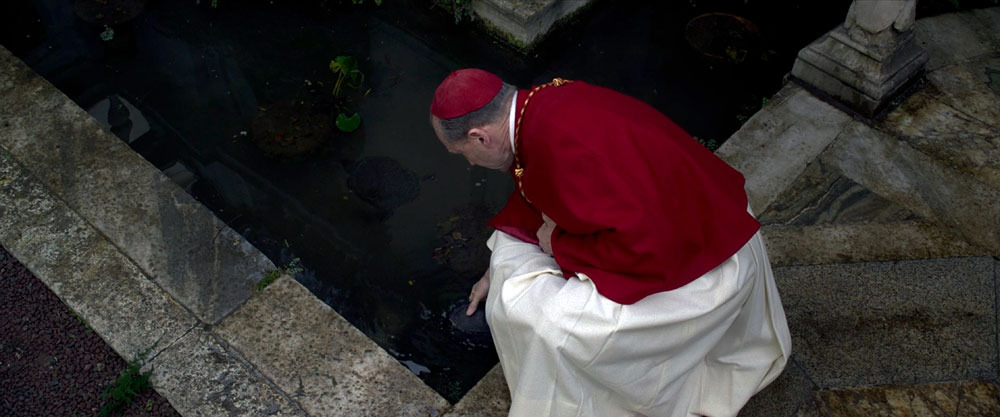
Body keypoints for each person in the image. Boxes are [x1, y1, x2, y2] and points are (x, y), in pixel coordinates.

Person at [429, 68, 791, 417]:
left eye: (462, 153)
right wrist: (494, 270)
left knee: (550, 327)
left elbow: (645, 247)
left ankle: (588, 397)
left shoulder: (562, 146)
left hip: (707, 267)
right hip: (697, 209)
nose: (470, 163)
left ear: (480, 137)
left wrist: (559, 245)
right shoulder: (540, 103)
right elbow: (537, 185)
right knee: (508, 252)